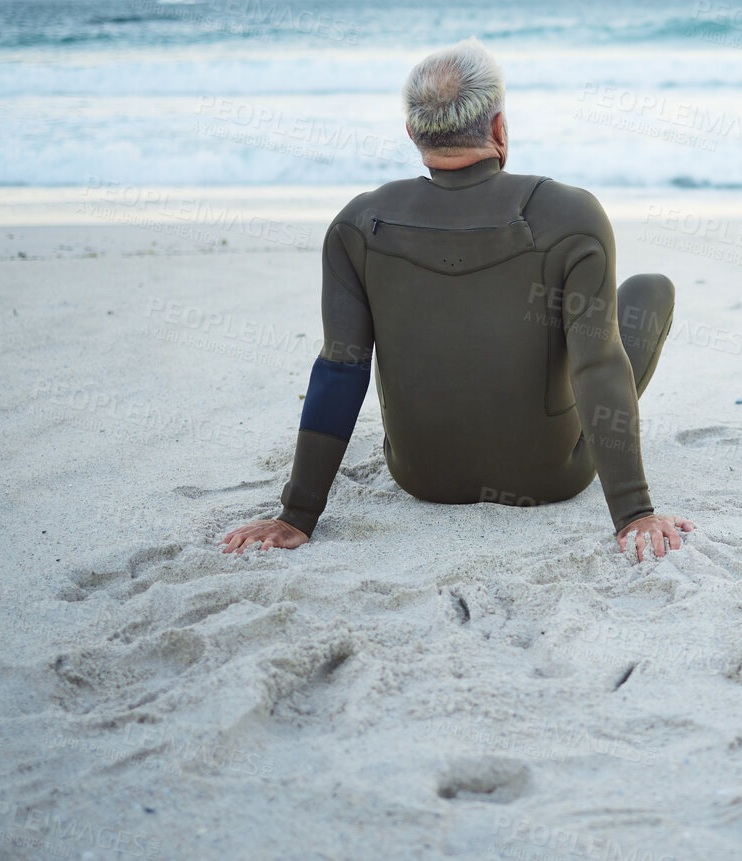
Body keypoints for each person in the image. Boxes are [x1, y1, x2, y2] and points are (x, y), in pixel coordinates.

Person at [221, 38, 693, 560]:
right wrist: (634, 512)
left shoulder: (356, 224)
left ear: (413, 133)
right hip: (549, 478)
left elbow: (341, 367)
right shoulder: (571, 216)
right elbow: (596, 364)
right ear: (498, 128)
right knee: (650, 291)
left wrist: (297, 514)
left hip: (422, 478)